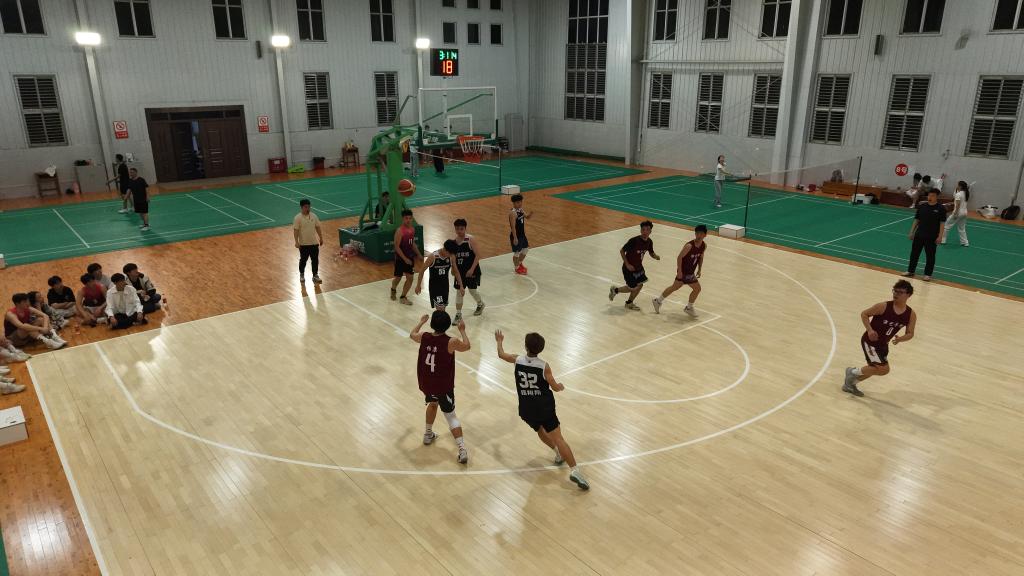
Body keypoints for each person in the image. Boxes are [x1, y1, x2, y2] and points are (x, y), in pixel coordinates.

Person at [494, 329, 589, 490]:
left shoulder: (517, 360)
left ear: (526, 346)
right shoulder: (544, 366)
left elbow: (501, 354)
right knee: (559, 438)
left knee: (539, 430)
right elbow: (554, 387)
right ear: (541, 349)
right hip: (544, 408)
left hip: (526, 409)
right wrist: (560, 386)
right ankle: (575, 470)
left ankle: (557, 454)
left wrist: (499, 341)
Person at [410, 311, 471, 464]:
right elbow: (467, 346)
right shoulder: (451, 341)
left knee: (432, 404)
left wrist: (421, 322)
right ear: (447, 325)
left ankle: (428, 434)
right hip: (443, 386)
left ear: (432, 324)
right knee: (450, 415)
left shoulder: (424, 336)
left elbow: (412, 334)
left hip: (427, 383)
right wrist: (462, 330)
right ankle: (462, 449)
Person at [843, 280, 916, 397]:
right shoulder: (883, 306)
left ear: (908, 295)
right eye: (895, 291)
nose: (896, 294)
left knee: (874, 369)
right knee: (884, 369)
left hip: (883, 345)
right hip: (870, 342)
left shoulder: (911, 314)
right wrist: (870, 330)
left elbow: (910, 333)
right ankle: (852, 372)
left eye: (900, 292)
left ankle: (850, 385)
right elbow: (864, 314)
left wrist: (900, 339)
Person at [652, 224, 707, 317]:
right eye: (697, 233)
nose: (699, 235)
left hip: (690, 272)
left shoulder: (704, 245)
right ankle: (688, 308)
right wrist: (680, 271)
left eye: (701, 233)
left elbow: (701, 257)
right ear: (695, 234)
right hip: (684, 272)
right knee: (696, 288)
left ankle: (658, 301)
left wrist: (699, 269)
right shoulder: (689, 246)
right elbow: (679, 257)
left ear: (705, 235)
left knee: (675, 287)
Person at [609, 221, 660, 311]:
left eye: (647, 230)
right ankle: (615, 290)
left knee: (640, 285)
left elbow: (651, 252)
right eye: (643, 229)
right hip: (628, 269)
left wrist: (655, 256)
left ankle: (629, 303)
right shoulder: (634, 241)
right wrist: (627, 264)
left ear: (650, 231)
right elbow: (622, 251)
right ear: (640, 230)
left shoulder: (649, 242)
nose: (645, 232)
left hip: (639, 268)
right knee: (633, 288)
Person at [903, 188, 946, 281]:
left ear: (937, 197)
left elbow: (942, 223)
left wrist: (940, 236)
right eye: (929, 195)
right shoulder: (922, 206)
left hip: (932, 237)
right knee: (914, 254)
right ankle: (910, 271)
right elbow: (916, 220)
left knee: (930, 256)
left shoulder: (941, 209)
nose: (930, 197)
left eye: (933, 196)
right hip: (919, 235)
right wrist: (911, 232)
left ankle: (927, 274)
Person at [451, 218, 485, 323]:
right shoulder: (454, 243)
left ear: (465, 228)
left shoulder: (470, 239)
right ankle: (458, 314)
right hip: (460, 272)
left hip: (471, 270)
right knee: (459, 292)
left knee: (472, 290)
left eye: (461, 229)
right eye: (457, 229)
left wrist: (471, 269)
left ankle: (480, 304)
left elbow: (478, 255)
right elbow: (453, 258)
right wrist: (453, 268)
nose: (459, 231)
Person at [416, 240, 463, 312]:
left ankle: (438, 319)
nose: (451, 255)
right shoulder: (433, 256)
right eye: (450, 254)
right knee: (441, 309)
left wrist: (461, 286)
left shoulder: (451, 257)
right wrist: (418, 285)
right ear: (445, 250)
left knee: (443, 309)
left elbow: (456, 272)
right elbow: (422, 271)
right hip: (435, 287)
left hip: (445, 286)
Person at [391, 209, 422, 305]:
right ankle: (393, 289)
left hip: (410, 258)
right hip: (400, 259)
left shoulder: (412, 229)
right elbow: (396, 247)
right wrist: (405, 259)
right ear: (402, 219)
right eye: (406, 218)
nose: (408, 220)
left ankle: (403, 297)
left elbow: (412, 243)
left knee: (410, 278)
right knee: (398, 278)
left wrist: (419, 254)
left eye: (410, 218)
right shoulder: (400, 231)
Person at [293, 199, 324, 284]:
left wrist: (321, 238)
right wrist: (296, 242)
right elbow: (296, 231)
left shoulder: (314, 216)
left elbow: (317, 227)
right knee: (303, 260)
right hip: (304, 244)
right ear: (301, 207)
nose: (308, 208)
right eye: (306, 207)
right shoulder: (297, 218)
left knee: (315, 260)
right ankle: (302, 274)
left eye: (309, 207)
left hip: (314, 243)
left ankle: (315, 275)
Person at [508, 194, 532, 275]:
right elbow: (513, 227)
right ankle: (517, 268)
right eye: (518, 202)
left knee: (526, 249)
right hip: (516, 236)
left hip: (522, 235)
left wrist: (530, 214)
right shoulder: (513, 213)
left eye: (521, 202)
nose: (520, 204)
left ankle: (519, 263)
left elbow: (527, 217)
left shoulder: (520, 210)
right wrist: (515, 238)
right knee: (517, 253)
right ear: (514, 203)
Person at [941, 181, 970, 247]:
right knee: (962, 228)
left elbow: (958, 205)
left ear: (960, 186)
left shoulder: (958, 194)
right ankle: (965, 243)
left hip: (958, 213)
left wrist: (955, 213)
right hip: (965, 213)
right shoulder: (966, 193)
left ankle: (943, 240)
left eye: (958, 185)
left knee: (946, 226)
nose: (957, 186)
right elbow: (955, 196)